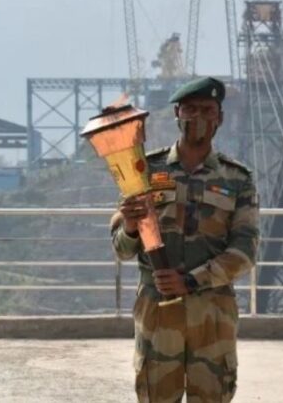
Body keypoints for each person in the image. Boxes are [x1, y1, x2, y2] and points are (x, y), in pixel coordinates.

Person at [111, 77, 259, 402]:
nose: (199, 118)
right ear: (177, 113)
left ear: (220, 117)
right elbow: (121, 248)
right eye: (191, 110)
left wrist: (191, 281)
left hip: (212, 310)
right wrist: (132, 226)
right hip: (158, 309)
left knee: (212, 396)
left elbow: (245, 252)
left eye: (208, 110)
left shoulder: (237, 179)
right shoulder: (144, 171)